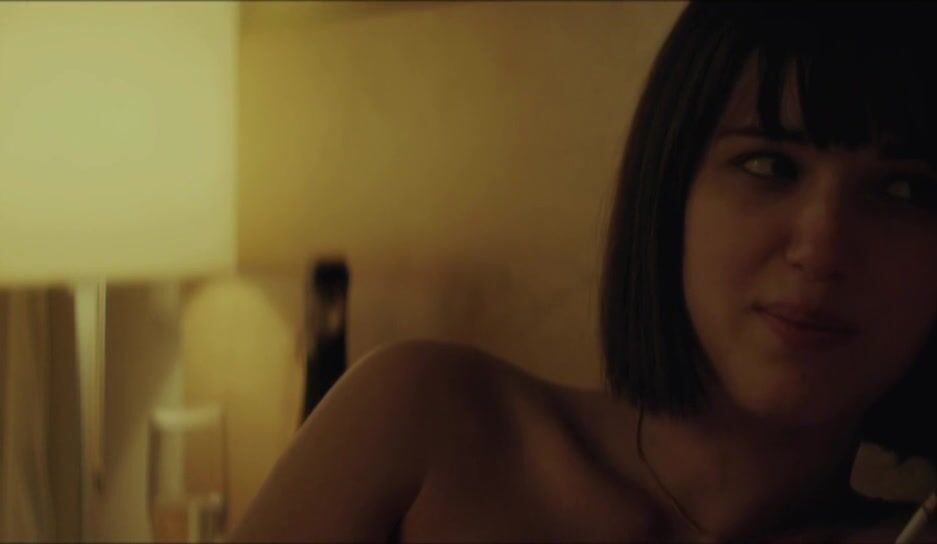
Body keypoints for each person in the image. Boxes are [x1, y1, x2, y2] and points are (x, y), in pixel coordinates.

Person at [230, 2, 937, 542]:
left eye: (905, 191)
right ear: (669, 192)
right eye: (768, 165)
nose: (822, 246)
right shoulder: (427, 423)